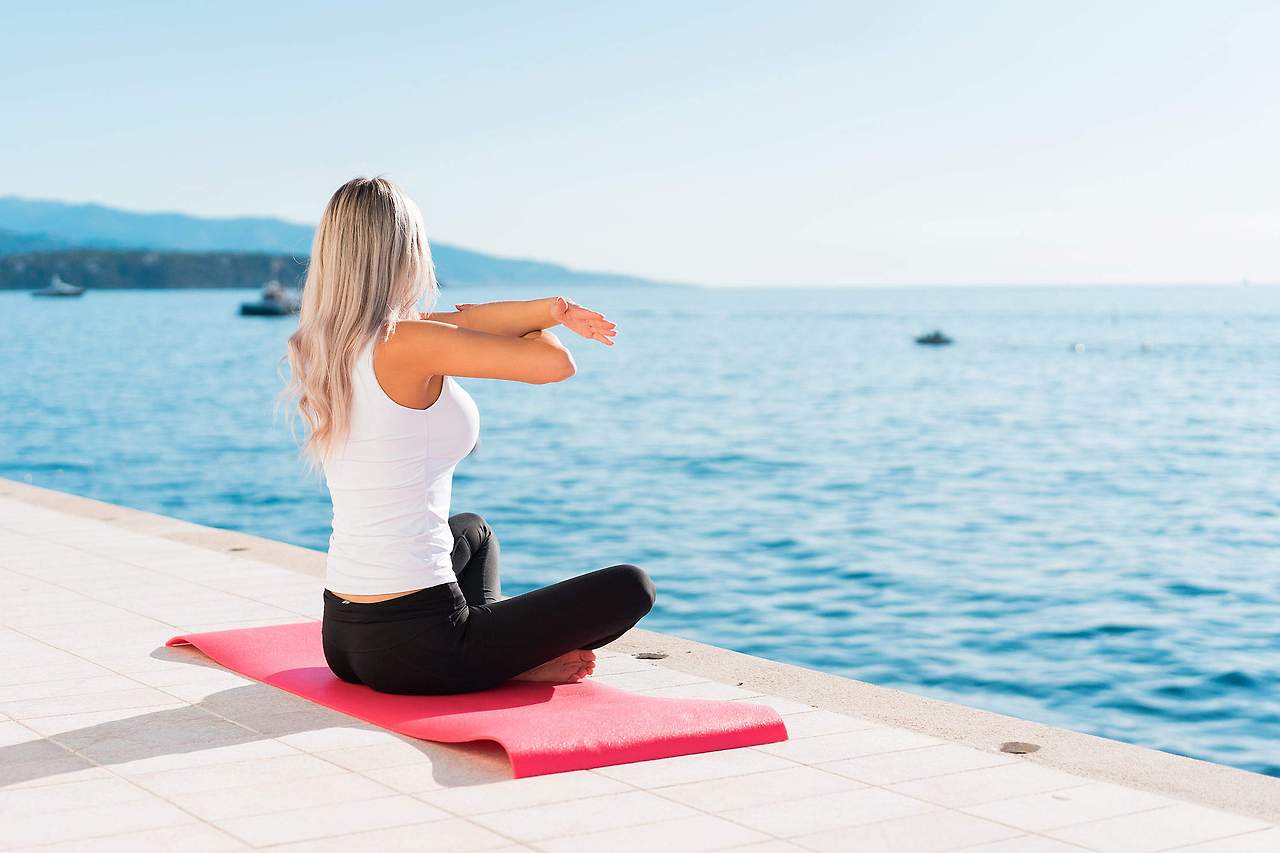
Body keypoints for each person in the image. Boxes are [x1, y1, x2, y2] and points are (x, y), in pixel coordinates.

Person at [280, 176, 656, 695]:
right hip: (417, 647)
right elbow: (554, 364)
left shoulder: (328, 342)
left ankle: (496, 653)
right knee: (632, 587)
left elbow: (476, 322)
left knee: (473, 532)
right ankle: (502, 662)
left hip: (344, 636)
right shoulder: (408, 340)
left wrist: (556, 310)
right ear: (406, 253)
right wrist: (538, 330)